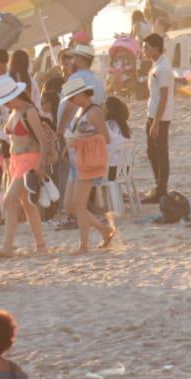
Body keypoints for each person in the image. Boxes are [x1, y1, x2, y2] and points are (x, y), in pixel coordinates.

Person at [0, 76, 50, 257]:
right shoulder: (14, 112)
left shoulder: (29, 111)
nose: (5, 105)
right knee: (28, 205)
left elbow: (43, 140)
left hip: (29, 160)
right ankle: (41, 246)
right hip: (16, 161)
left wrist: (41, 165)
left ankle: (8, 247)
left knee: (8, 202)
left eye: (6, 101)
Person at [61, 77, 115, 254]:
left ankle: (84, 245)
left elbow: (105, 138)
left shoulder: (94, 111)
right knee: (69, 206)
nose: (72, 101)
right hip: (75, 162)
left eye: (73, 97)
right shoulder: (80, 110)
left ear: (82, 94)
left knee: (79, 205)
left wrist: (80, 142)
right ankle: (104, 230)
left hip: (87, 163)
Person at [142, 33, 173, 202]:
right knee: (151, 152)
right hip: (152, 114)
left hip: (160, 117)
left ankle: (161, 189)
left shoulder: (163, 68)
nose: (143, 50)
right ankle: (158, 186)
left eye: (146, 47)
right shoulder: (155, 65)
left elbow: (164, 96)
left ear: (156, 47)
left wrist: (156, 123)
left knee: (161, 153)